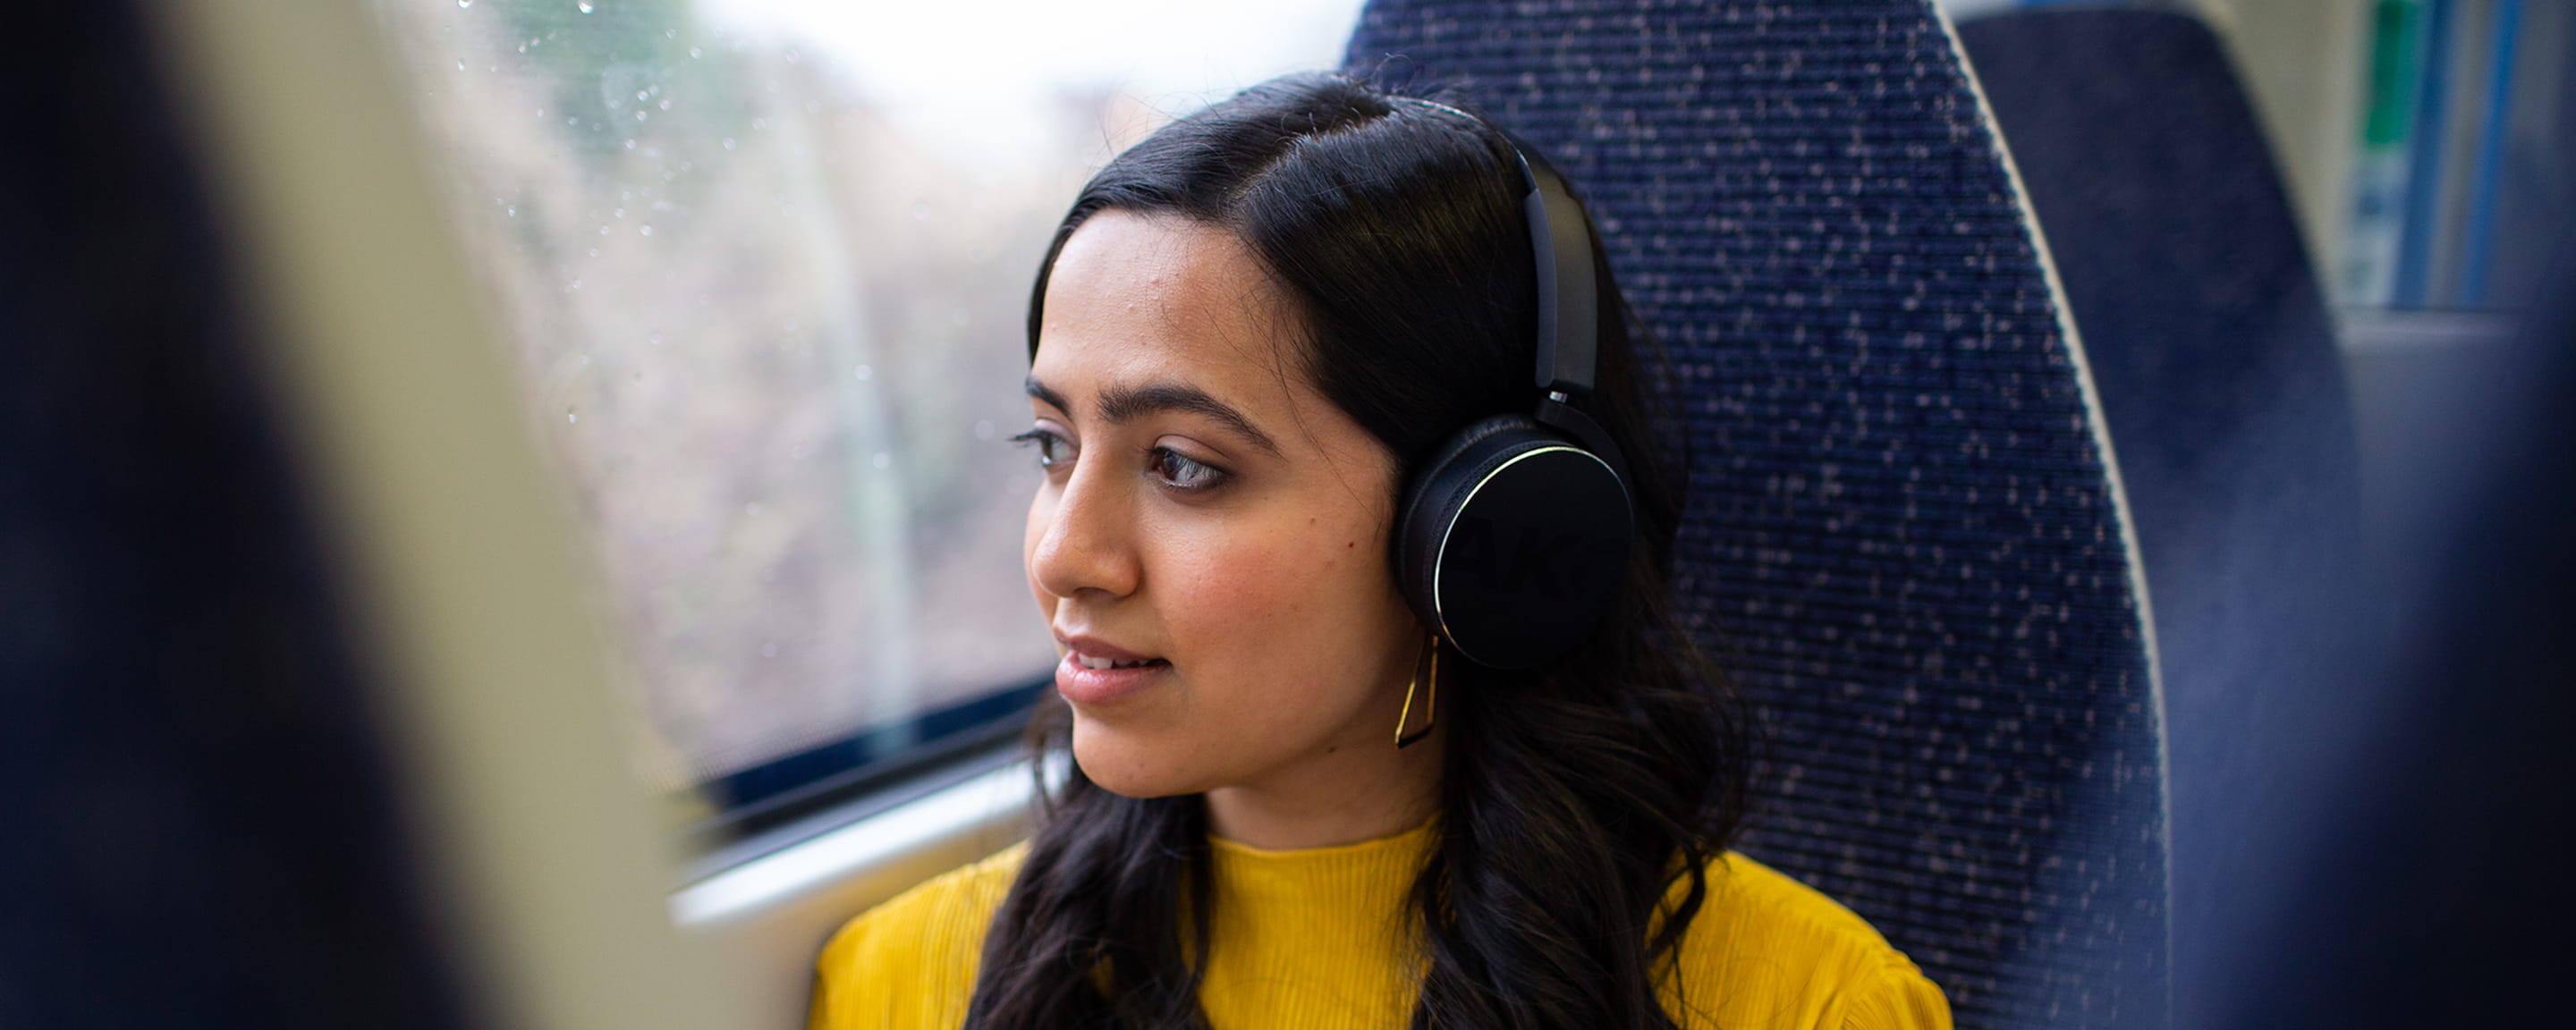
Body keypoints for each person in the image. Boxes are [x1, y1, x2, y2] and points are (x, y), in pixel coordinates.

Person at [809, 72, 1950, 1030]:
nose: (1065, 554)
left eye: (1184, 466)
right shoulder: (907, 982)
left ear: (1478, 524)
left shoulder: (1807, 1002)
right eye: (1051, 445)